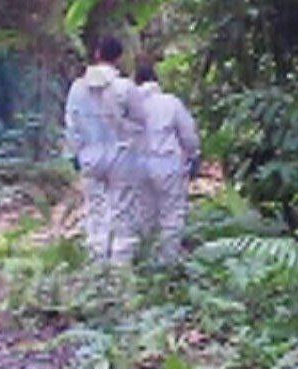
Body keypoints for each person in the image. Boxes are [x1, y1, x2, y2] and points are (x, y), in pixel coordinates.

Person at [64, 36, 147, 264]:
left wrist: (73, 154)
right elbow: (141, 122)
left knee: (95, 210)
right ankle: (120, 268)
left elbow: (72, 125)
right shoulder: (125, 87)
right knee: (122, 211)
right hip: (121, 155)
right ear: (118, 59)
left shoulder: (77, 88)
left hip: (89, 155)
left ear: (97, 54)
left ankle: (96, 263)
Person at [134, 63, 201, 262]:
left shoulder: (129, 106)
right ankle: (168, 263)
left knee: (144, 214)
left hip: (137, 166)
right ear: (156, 81)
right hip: (168, 163)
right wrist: (194, 155)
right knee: (172, 215)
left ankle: (144, 261)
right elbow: (188, 135)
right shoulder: (170, 103)